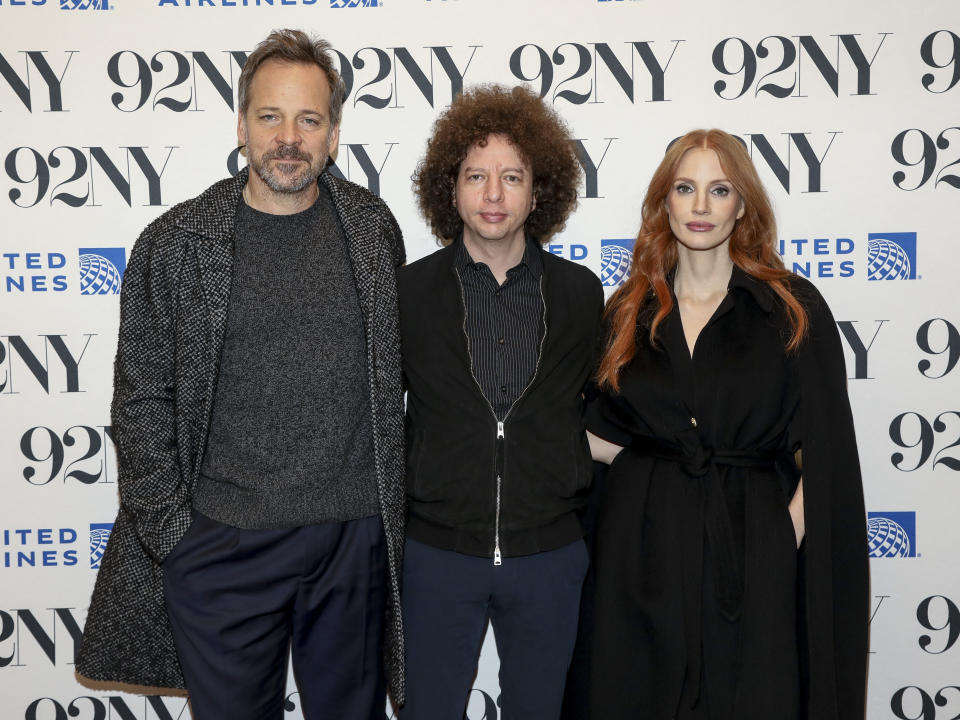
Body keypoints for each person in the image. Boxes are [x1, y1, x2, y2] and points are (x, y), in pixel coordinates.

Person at [76, 29, 406, 719]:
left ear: (335, 133)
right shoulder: (175, 244)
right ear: (241, 124)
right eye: (271, 117)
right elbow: (139, 399)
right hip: (222, 544)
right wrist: (175, 537)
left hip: (351, 542)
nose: (289, 138)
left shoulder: (373, 229)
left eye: (309, 120)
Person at [571, 129, 868, 720]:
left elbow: (825, 445)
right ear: (665, 202)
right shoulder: (627, 310)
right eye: (685, 188)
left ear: (743, 205)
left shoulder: (791, 309)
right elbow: (593, 430)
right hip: (640, 552)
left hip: (751, 546)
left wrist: (784, 535)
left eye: (719, 189)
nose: (701, 206)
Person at [397, 85, 603, 720]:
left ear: (538, 191)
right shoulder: (409, 292)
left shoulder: (580, 294)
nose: (492, 194)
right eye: (476, 176)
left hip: (549, 555)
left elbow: (601, 410)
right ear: (450, 188)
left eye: (511, 176)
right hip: (437, 553)